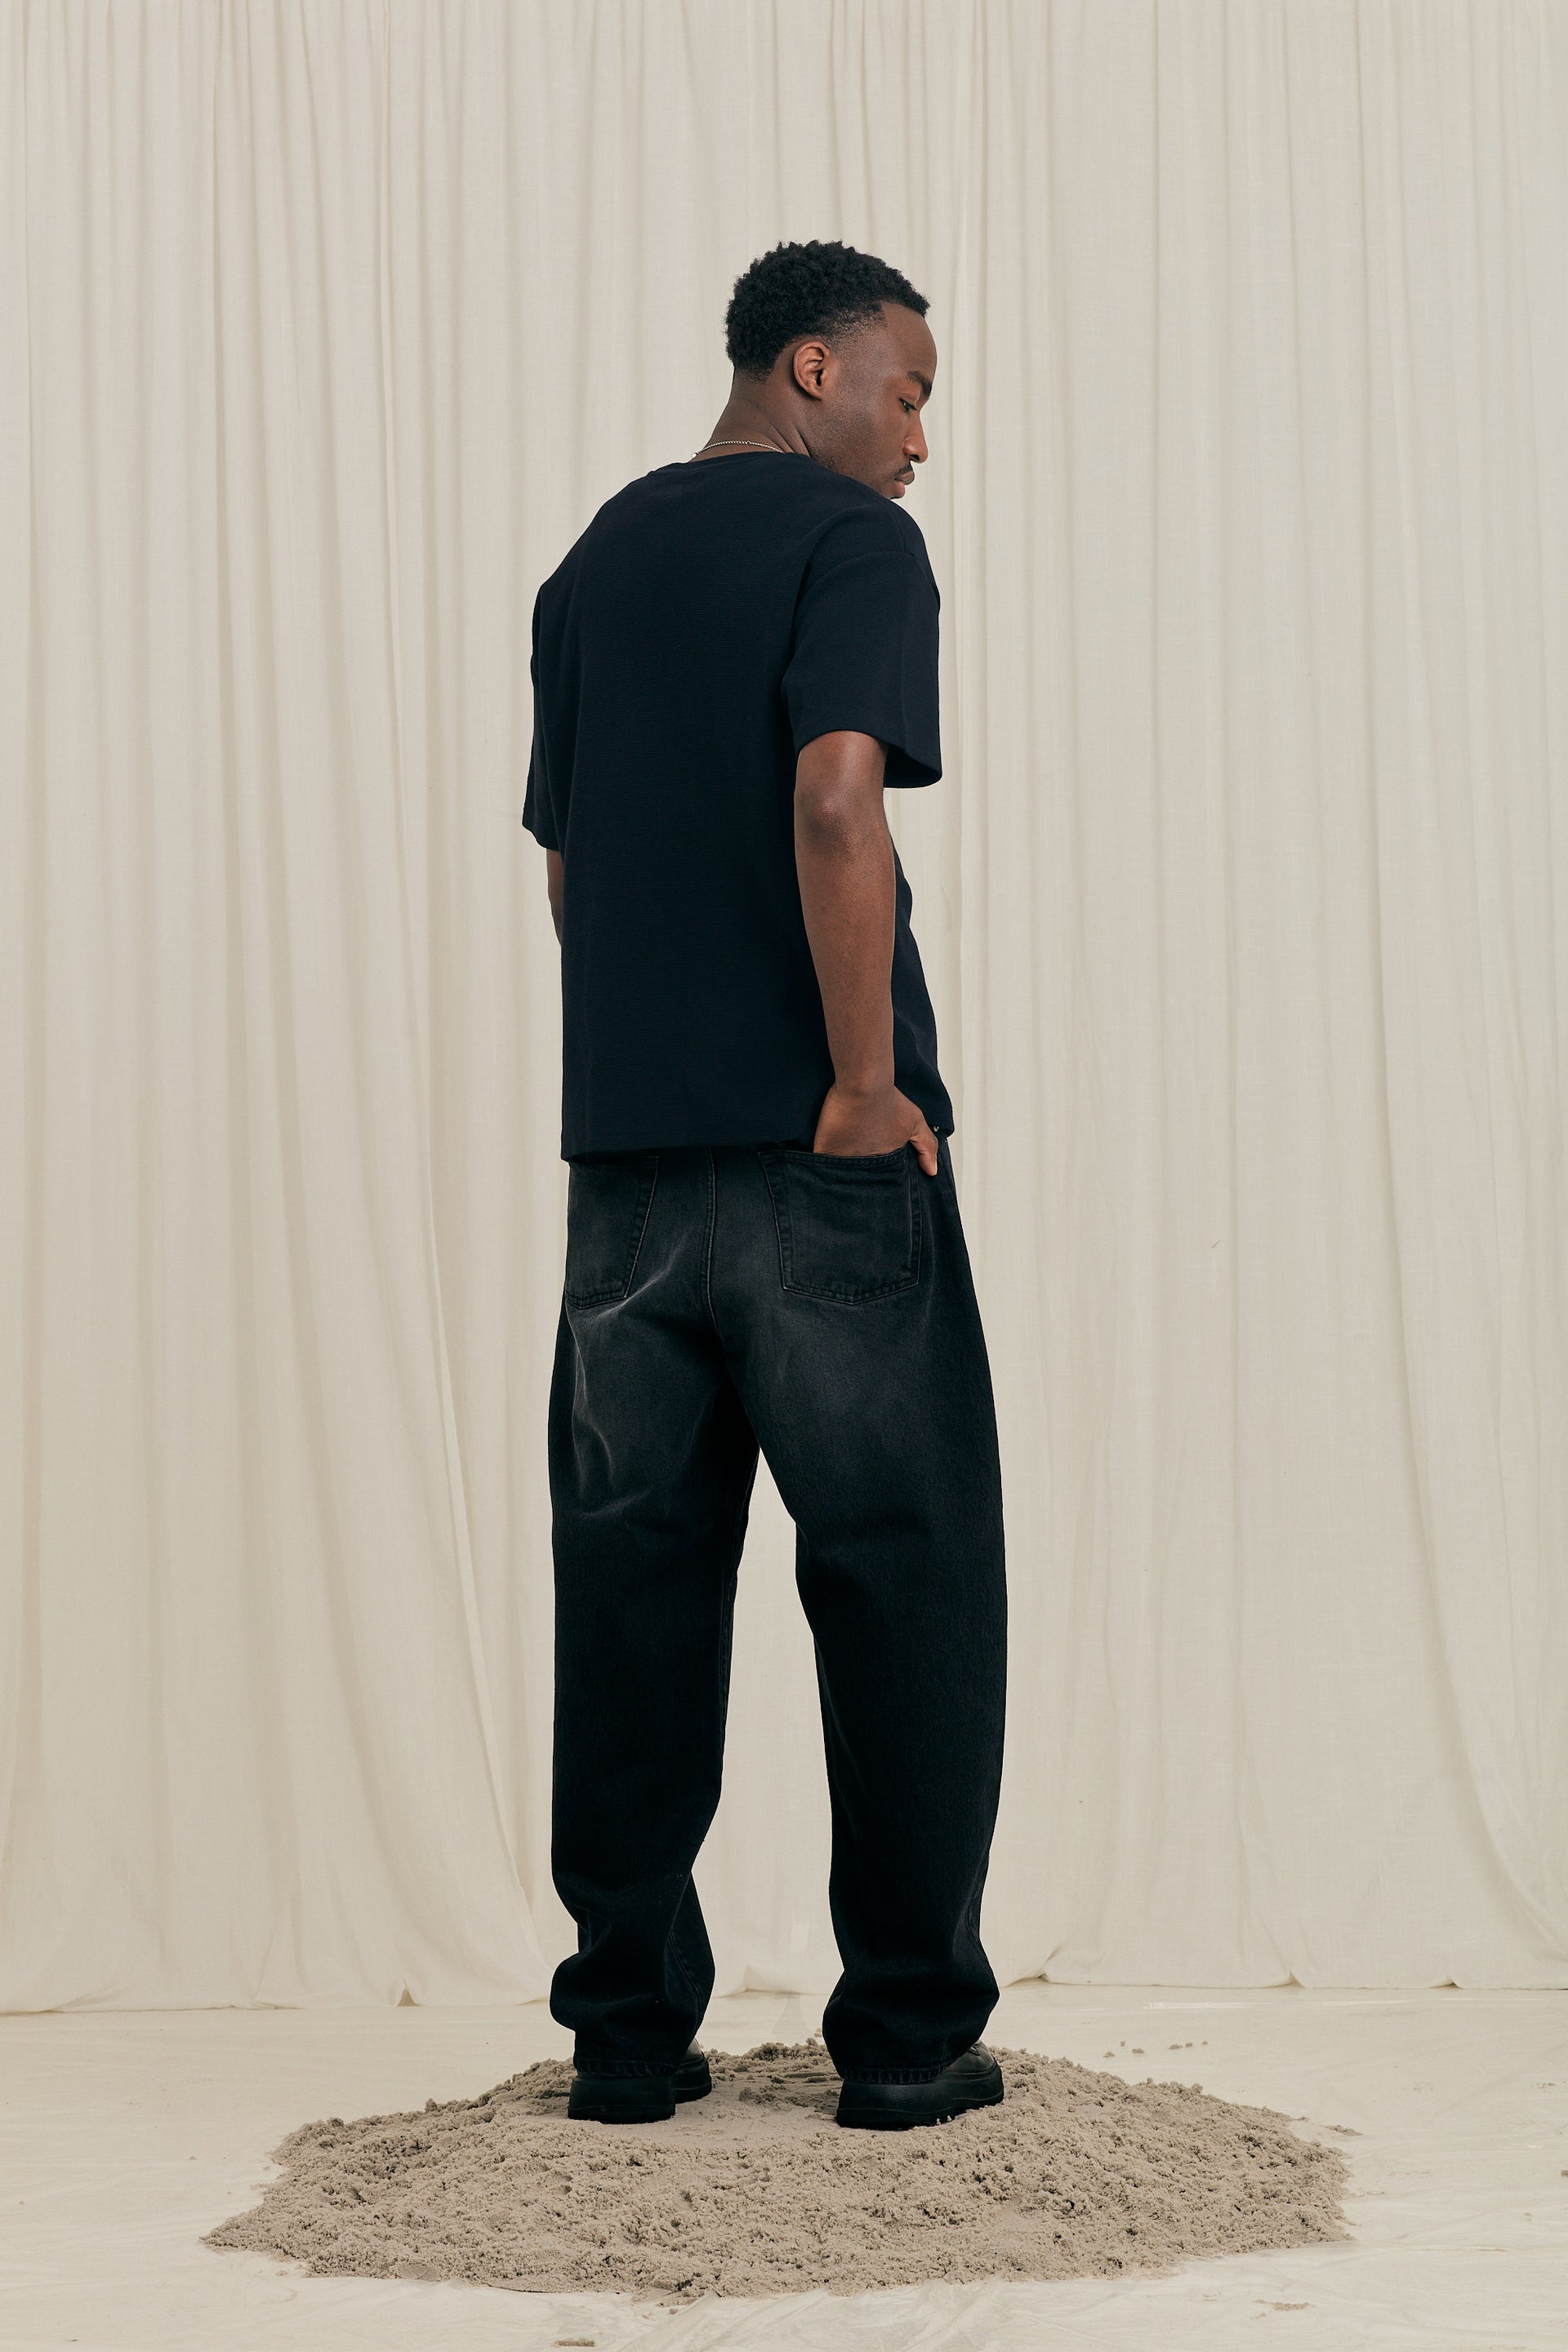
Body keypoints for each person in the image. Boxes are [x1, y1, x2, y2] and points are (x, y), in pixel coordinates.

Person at [520, 238, 1008, 2132]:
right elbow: (833, 795)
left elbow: (572, 873)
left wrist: (659, 1067)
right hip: (825, 1162)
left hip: (630, 1183)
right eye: (909, 390)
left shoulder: (595, 563)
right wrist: (866, 1086)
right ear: (814, 368)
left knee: (630, 1593)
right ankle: (905, 2043)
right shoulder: (849, 542)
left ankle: (627, 2039)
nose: (918, 438)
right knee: (903, 1578)